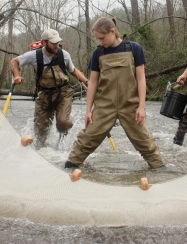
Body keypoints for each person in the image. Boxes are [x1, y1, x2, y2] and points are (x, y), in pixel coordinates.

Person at [65, 17, 164, 169]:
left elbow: (141, 78)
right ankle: (69, 169)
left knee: (144, 141)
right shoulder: (98, 53)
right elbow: (93, 82)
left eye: (102, 38)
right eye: (97, 38)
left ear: (112, 32)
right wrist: (88, 111)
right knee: (87, 138)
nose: (100, 42)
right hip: (105, 105)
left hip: (131, 105)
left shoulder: (134, 48)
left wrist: (141, 106)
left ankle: (160, 171)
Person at [11, 29, 88, 146]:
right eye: (53, 43)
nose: (56, 45)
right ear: (44, 42)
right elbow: (14, 61)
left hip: (64, 93)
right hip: (44, 95)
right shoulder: (33, 55)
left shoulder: (64, 55)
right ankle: (41, 150)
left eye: (57, 42)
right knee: (39, 131)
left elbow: (73, 71)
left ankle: (62, 142)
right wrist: (17, 76)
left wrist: (87, 82)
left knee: (63, 122)